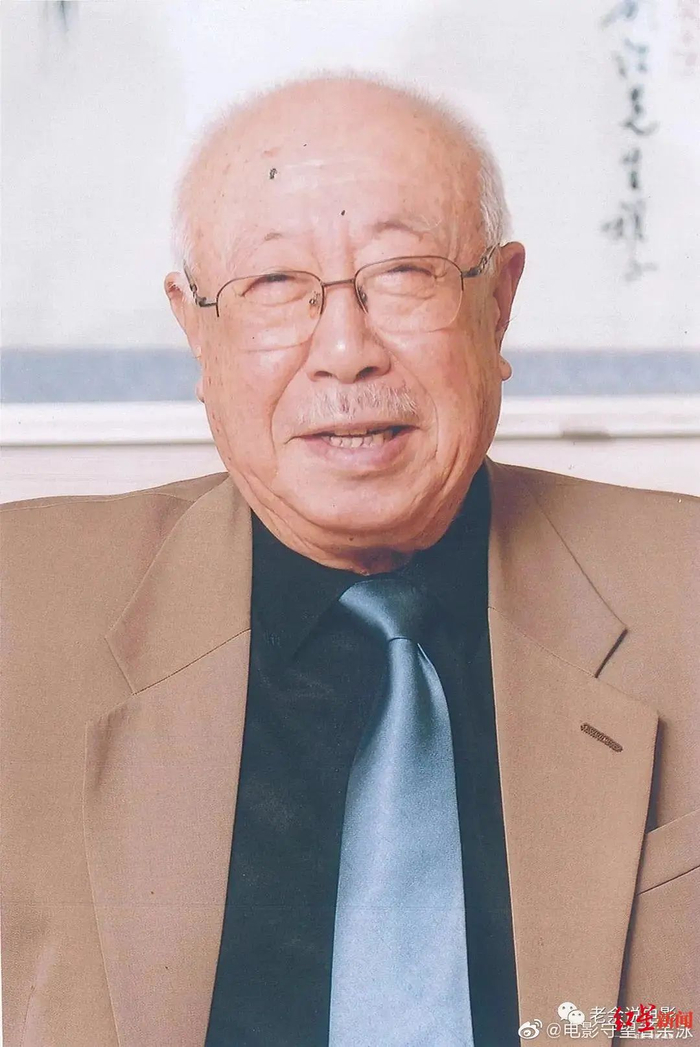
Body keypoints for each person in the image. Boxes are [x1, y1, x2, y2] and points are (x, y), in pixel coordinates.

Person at [1, 73, 698, 1047]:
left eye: (405, 272)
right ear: (195, 329)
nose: (345, 350)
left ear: (499, 304)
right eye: (274, 285)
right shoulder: (21, 609)